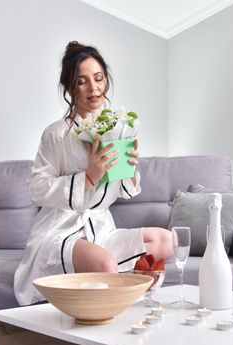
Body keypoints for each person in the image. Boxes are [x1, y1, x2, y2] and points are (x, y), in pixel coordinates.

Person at [14, 41, 173, 305]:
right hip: (61, 230)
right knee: (105, 263)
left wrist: (130, 168)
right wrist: (87, 177)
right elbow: (36, 188)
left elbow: (123, 189)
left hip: (100, 229)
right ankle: (124, 303)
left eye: (99, 79)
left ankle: (124, 288)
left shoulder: (117, 127)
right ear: (69, 88)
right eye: (82, 81)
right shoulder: (56, 134)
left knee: (166, 240)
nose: (94, 88)